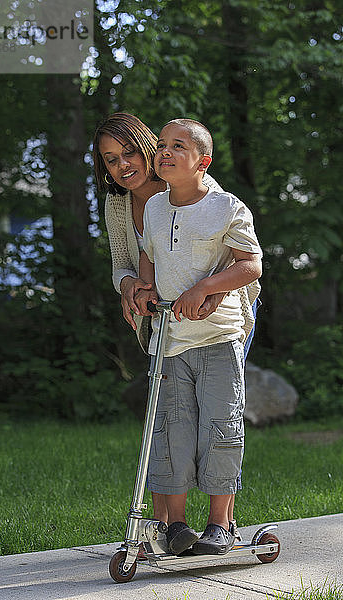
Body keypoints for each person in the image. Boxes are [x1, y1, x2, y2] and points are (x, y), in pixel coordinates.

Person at [134, 118, 262, 555]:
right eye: (161, 145)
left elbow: (251, 265)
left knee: (219, 427)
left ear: (202, 161)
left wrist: (206, 287)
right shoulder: (153, 207)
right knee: (172, 431)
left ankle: (220, 524)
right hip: (168, 341)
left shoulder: (226, 206)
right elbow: (147, 254)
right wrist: (147, 288)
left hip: (217, 337)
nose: (164, 152)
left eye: (177, 146)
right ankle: (175, 527)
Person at [92, 113, 227, 526]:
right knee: (165, 417)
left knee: (215, 418)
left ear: (149, 148)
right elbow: (121, 264)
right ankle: (167, 526)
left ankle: (220, 522)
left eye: (129, 152)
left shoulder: (191, 187)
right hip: (159, 316)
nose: (123, 166)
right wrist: (129, 284)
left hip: (215, 316)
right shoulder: (118, 203)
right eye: (111, 160)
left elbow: (231, 258)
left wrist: (209, 295)